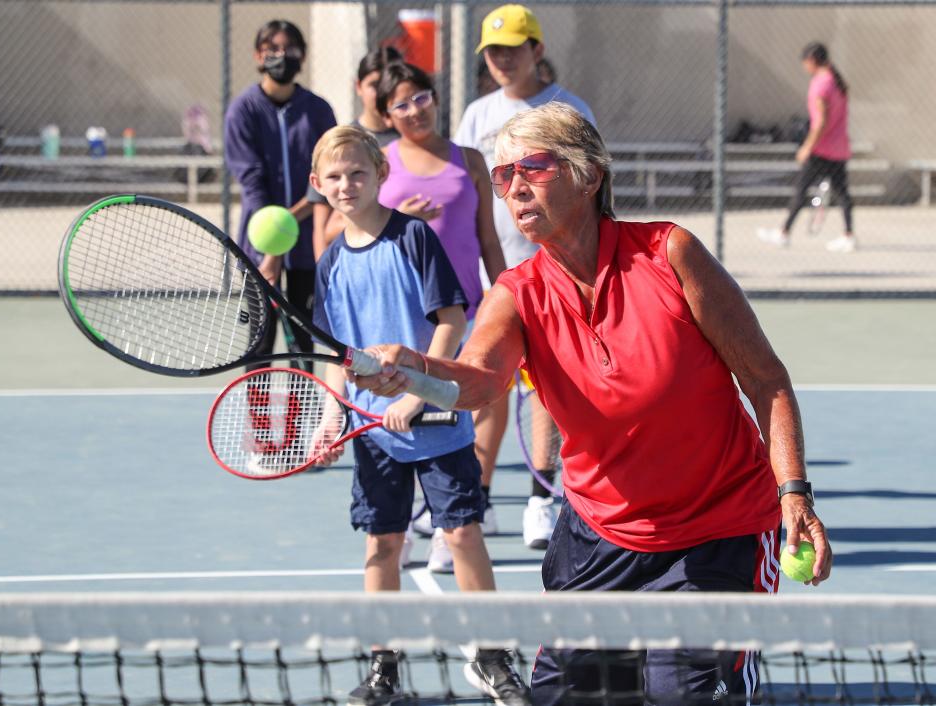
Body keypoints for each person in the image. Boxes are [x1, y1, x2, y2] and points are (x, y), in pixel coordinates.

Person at [350, 102, 834, 704]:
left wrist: (794, 495)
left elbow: (767, 380)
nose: (515, 186)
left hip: (717, 534)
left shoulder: (669, 253)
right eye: (503, 176)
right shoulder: (518, 293)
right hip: (599, 539)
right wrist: (415, 369)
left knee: (680, 694)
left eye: (534, 166)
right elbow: (474, 382)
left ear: (589, 174)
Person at [308, 125, 530, 706]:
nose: (346, 184)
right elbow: (338, 356)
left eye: (358, 172)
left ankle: (491, 657)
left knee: (461, 534)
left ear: (380, 175)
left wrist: (415, 392)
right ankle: (384, 667)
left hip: (433, 420)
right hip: (374, 434)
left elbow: (452, 320)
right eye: (334, 176)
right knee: (382, 546)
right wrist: (334, 418)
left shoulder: (412, 238)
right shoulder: (331, 264)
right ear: (318, 185)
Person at [454, 3, 597, 551]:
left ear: (537, 50)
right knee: (486, 385)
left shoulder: (569, 110)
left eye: (513, 48)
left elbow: (591, 189)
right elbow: (467, 191)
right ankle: (480, 495)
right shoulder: (476, 113)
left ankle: (541, 496)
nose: (502, 59)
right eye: (492, 51)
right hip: (496, 274)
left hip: (557, 271)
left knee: (548, 388)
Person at [375, 61, 507, 572]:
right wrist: (404, 223)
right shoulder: (381, 165)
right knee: (409, 417)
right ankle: (406, 522)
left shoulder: (470, 160)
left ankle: (453, 515)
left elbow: (488, 239)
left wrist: (505, 294)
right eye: (401, 104)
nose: (415, 111)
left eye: (421, 98)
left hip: (469, 308)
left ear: (435, 97)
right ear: (387, 114)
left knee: (476, 405)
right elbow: (361, 233)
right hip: (407, 317)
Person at [224, 20, 336, 368]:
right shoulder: (243, 110)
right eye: (272, 48)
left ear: (302, 56)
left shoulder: (318, 110)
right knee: (259, 340)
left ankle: (295, 421)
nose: (281, 55)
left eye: (289, 48)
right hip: (258, 243)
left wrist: (291, 223)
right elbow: (251, 180)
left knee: (303, 342)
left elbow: (326, 172)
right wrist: (270, 246)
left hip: (306, 243)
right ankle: (257, 422)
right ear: (258, 55)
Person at [758, 42, 855, 252]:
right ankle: (849, 235)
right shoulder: (837, 82)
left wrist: (807, 147)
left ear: (811, 61)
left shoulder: (821, 84)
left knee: (801, 190)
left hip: (822, 150)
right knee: (842, 193)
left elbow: (820, 122)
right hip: (839, 148)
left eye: (805, 63)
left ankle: (783, 233)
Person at [310, 46, 404, 261]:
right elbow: (321, 227)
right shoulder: (340, 142)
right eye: (374, 85)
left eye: (389, 85)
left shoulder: (413, 142)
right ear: (358, 86)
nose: (381, 93)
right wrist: (323, 278)